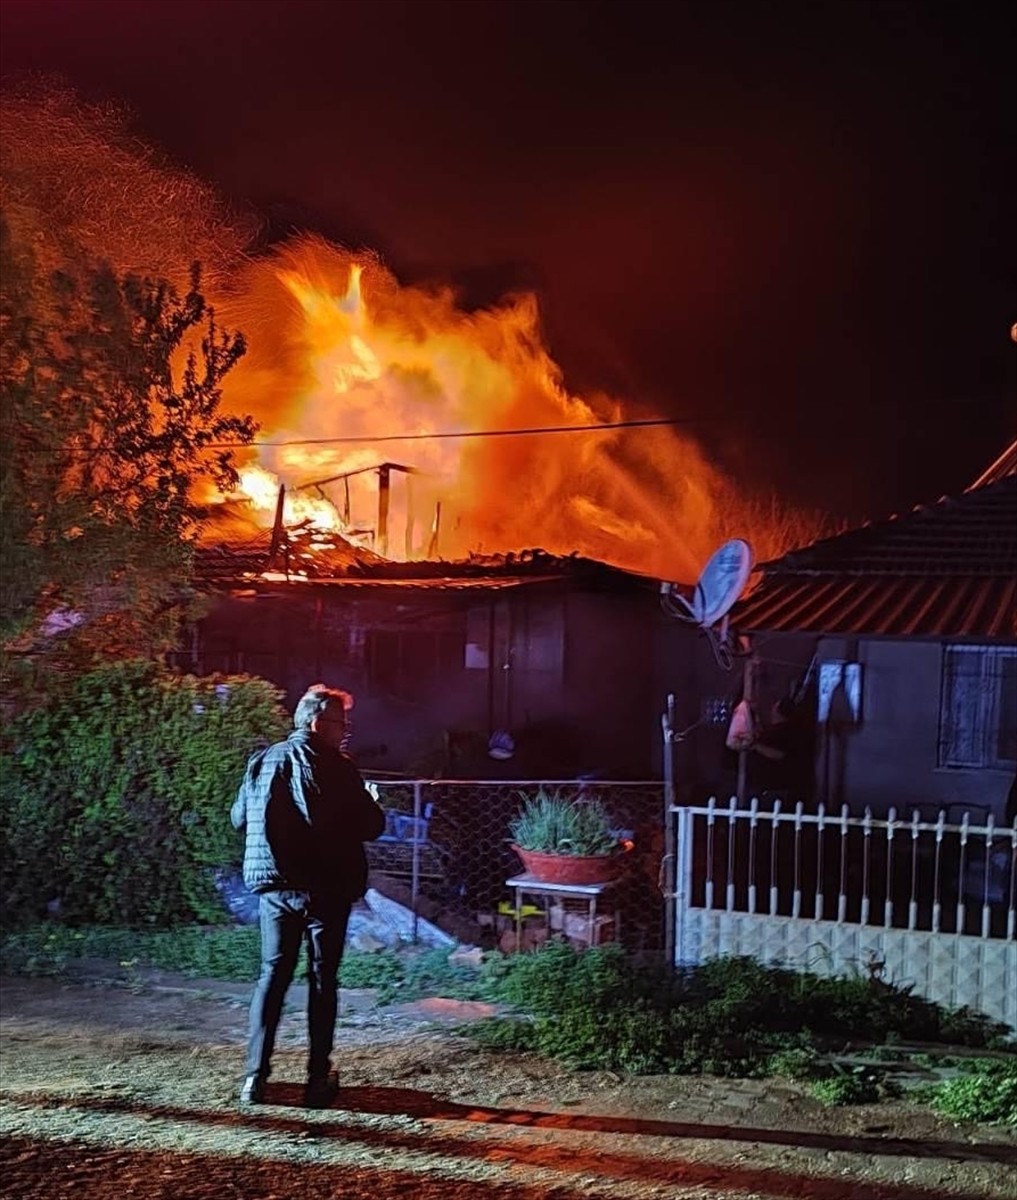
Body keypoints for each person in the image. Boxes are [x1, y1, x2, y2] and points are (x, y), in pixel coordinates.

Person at [231, 683, 386, 1108]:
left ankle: (254, 1079)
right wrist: (371, 800)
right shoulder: (337, 766)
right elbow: (371, 825)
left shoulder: (262, 760)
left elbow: (238, 818)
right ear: (318, 722)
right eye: (342, 723)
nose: (346, 732)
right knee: (322, 980)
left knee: (272, 977)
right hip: (325, 889)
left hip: (276, 889)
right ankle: (317, 1080)